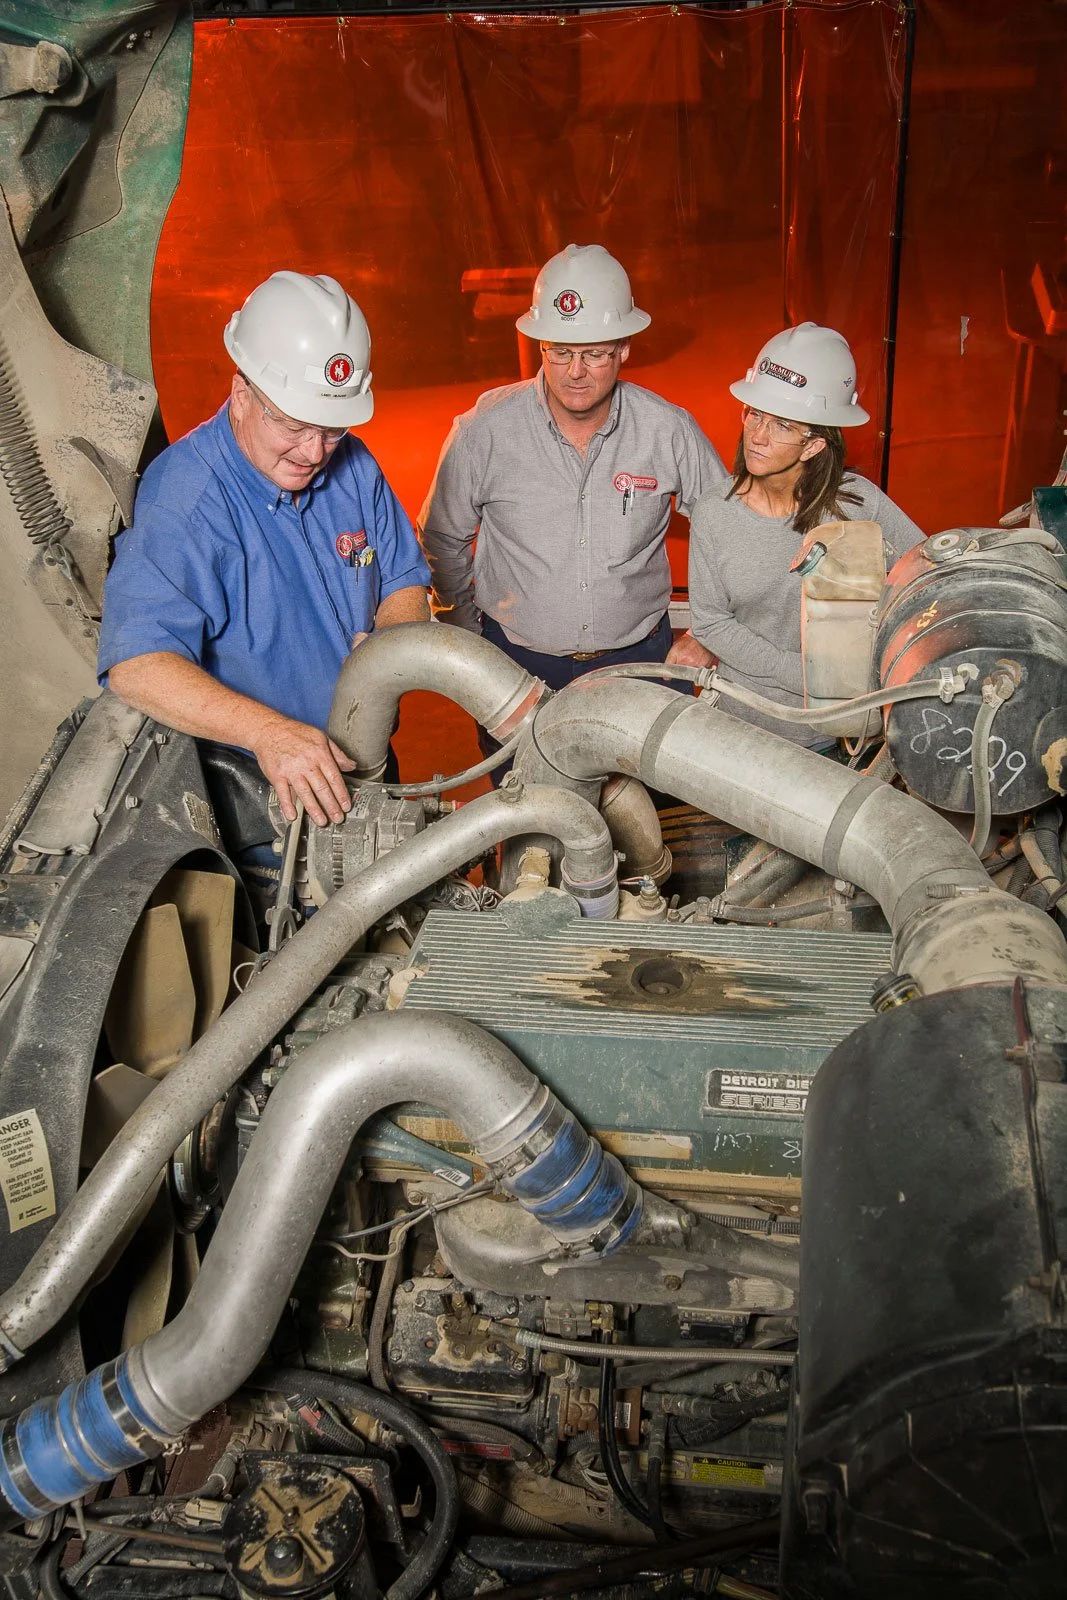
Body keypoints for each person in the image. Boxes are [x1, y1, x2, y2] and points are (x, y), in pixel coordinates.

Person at [99, 271, 431, 826]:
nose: (315, 452)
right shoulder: (187, 500)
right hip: (259, 792)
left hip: (367, 763)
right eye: (297, 427)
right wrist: (267, 733)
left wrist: (386, 649)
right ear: (241, 394)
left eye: (332, 429)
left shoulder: (355, 465)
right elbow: (137, 664)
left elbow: (404, 579)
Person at [418, 244, 727, 691]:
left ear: (624, 349)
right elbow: (442, 537)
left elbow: (729, 528)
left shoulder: (668, 429)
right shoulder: (482, 431)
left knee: (640, 767)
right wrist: (470, 639)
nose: (574, 372)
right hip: (517, 665)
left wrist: (706, 632)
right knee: (522, 767)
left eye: (594, 354)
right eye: (559, 352)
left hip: (642, 662)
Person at [669, 322, 923, 745]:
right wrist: (806, 673)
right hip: (741, 725)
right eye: (754, 414)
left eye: (783, 425)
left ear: (814, 445)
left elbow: (925, 576)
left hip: (838, 731)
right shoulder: (715, 511)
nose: (758, 436)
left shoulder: (858, 505)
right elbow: (711, 623)